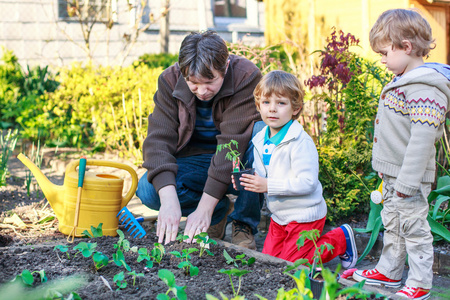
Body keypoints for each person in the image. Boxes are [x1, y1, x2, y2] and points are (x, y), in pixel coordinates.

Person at [352, 9, 450, 300]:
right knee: (393, 223)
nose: (381, 60)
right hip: (394, 173)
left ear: (406, 47)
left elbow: (421, 140)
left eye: (384, 53)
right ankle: (390, 270)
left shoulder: (426, 88)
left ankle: (420, 282)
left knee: (414, 228)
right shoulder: (405, 80)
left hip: (409, 177)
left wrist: (407, 183)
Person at [136, 30, 264, 249]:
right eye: (193, 83)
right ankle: (218, 212)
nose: (202, 91)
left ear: (225, 67)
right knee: (148, 191)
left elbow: (230, 146)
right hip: (196, 161)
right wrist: (169, 202)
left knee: (261, 134)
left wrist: (203, 207)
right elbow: (158, 141)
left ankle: (243, 223)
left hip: (237, 161)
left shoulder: (246, 76)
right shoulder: (170, 80)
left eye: (209, 82)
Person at [234, 70, 358, 268]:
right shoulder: (259, 140)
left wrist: (267, 185)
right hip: (279, 216)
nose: (272, 109)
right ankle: (306, 247)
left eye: (281, 103)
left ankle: (340, 239)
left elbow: (308, 183)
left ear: (295, 108)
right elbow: (265, 175)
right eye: (266, 103)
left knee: (294, 265)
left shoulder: (300, 142)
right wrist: (249, 180)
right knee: (269, 263)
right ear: (258, 106)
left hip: (304, 215)